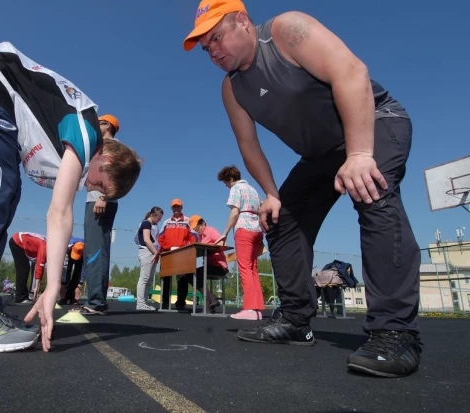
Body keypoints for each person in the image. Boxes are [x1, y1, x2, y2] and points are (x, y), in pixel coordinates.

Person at [183, 0, 422, 377]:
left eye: (216, 38)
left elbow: (351, 71)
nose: (212, 51)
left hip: (373, 123)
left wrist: (360, 153)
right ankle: (295, 320)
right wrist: (272, 194)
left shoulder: (286, 31)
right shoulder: (231, 90)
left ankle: (395, 331)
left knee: (371, 191)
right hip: (320, 155)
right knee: (281, 220)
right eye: (206, 47)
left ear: (243, 21)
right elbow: (249, 147)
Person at [0, 42, 141, 353]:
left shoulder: (65, 142)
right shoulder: (87, 135)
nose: (90, 187)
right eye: (99, 184)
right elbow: (60, 212)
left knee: (6, 191)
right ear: (106, 161)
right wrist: (53, 287)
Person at [75, 114, 121, 316]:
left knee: (95, 249)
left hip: (100, 200)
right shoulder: (103, 146)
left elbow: (114, 173)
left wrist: (103, 196)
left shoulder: (111, 146)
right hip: (98, 199)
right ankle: (97, 299)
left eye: (98, 123)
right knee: (98, 249)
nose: (95, 127)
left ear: (108, 125)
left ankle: (95, 302)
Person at [215, 165, 265, 320]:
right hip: (257, 230)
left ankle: (249, 308)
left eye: (226, 182)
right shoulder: (253, 190)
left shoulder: (236, 189)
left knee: (244, 268)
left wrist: (225, 233)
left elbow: (235, 211)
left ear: (230, 179)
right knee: (252, 268)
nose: (226, 185)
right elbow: (263, 208)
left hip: (244, 229)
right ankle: (257, 310)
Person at [175, 215, 226, 312]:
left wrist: (209, 246)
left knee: (196, 274)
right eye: (195, 229)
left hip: (219, 266)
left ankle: (211, 300)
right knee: (187, 274)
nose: (197, 230)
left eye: (198, 228)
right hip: (208, 266)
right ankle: (211, 301)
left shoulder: (211, 231)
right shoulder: (200, 236)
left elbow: (222, 244)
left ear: (203, 223)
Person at [155, 199, 197, 310]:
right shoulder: (167, 222)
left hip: (182, 253)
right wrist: (161, 250)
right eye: (174, 207)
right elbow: (160, 238)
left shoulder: (188, 221)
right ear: (172, 208)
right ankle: (165, 302)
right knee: (165, 278)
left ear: (182, 207)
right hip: (167, 253)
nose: (176, 208)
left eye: (178, 206)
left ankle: (181, 303)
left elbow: (193, 238)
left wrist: (188, 248)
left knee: (182, 279)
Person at [134, 206, 164, 311]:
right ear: (152, 215)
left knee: (149, 280)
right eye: (158, 218)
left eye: (160, 218)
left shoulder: (154, 225)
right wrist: (156, 253)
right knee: (144, 278)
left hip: (153, 252)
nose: (159, 220)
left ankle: (145, 302)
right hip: (147, 251)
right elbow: (147, 239)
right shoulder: (146, 223)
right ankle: (140, 303)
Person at [8, 232, 47, 304]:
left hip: (20, 241)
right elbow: (40, 266)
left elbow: (38, 265)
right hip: (17, 241)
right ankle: (20, 297)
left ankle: (24, 294)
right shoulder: (44, 246)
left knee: (24, 268)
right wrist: (37, 287)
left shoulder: (46, 243)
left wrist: (35, 288)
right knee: (23, 269)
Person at [59, 237, 85, 305]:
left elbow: (84, 269)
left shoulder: (87, 250)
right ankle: (63, 297)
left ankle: (73, 297)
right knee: (67, 272)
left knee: (78, 273)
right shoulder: (66, 247)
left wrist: (80, 285)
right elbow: (64, 267)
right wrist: (63, 285)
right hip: (69, 254)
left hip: (82, 256)